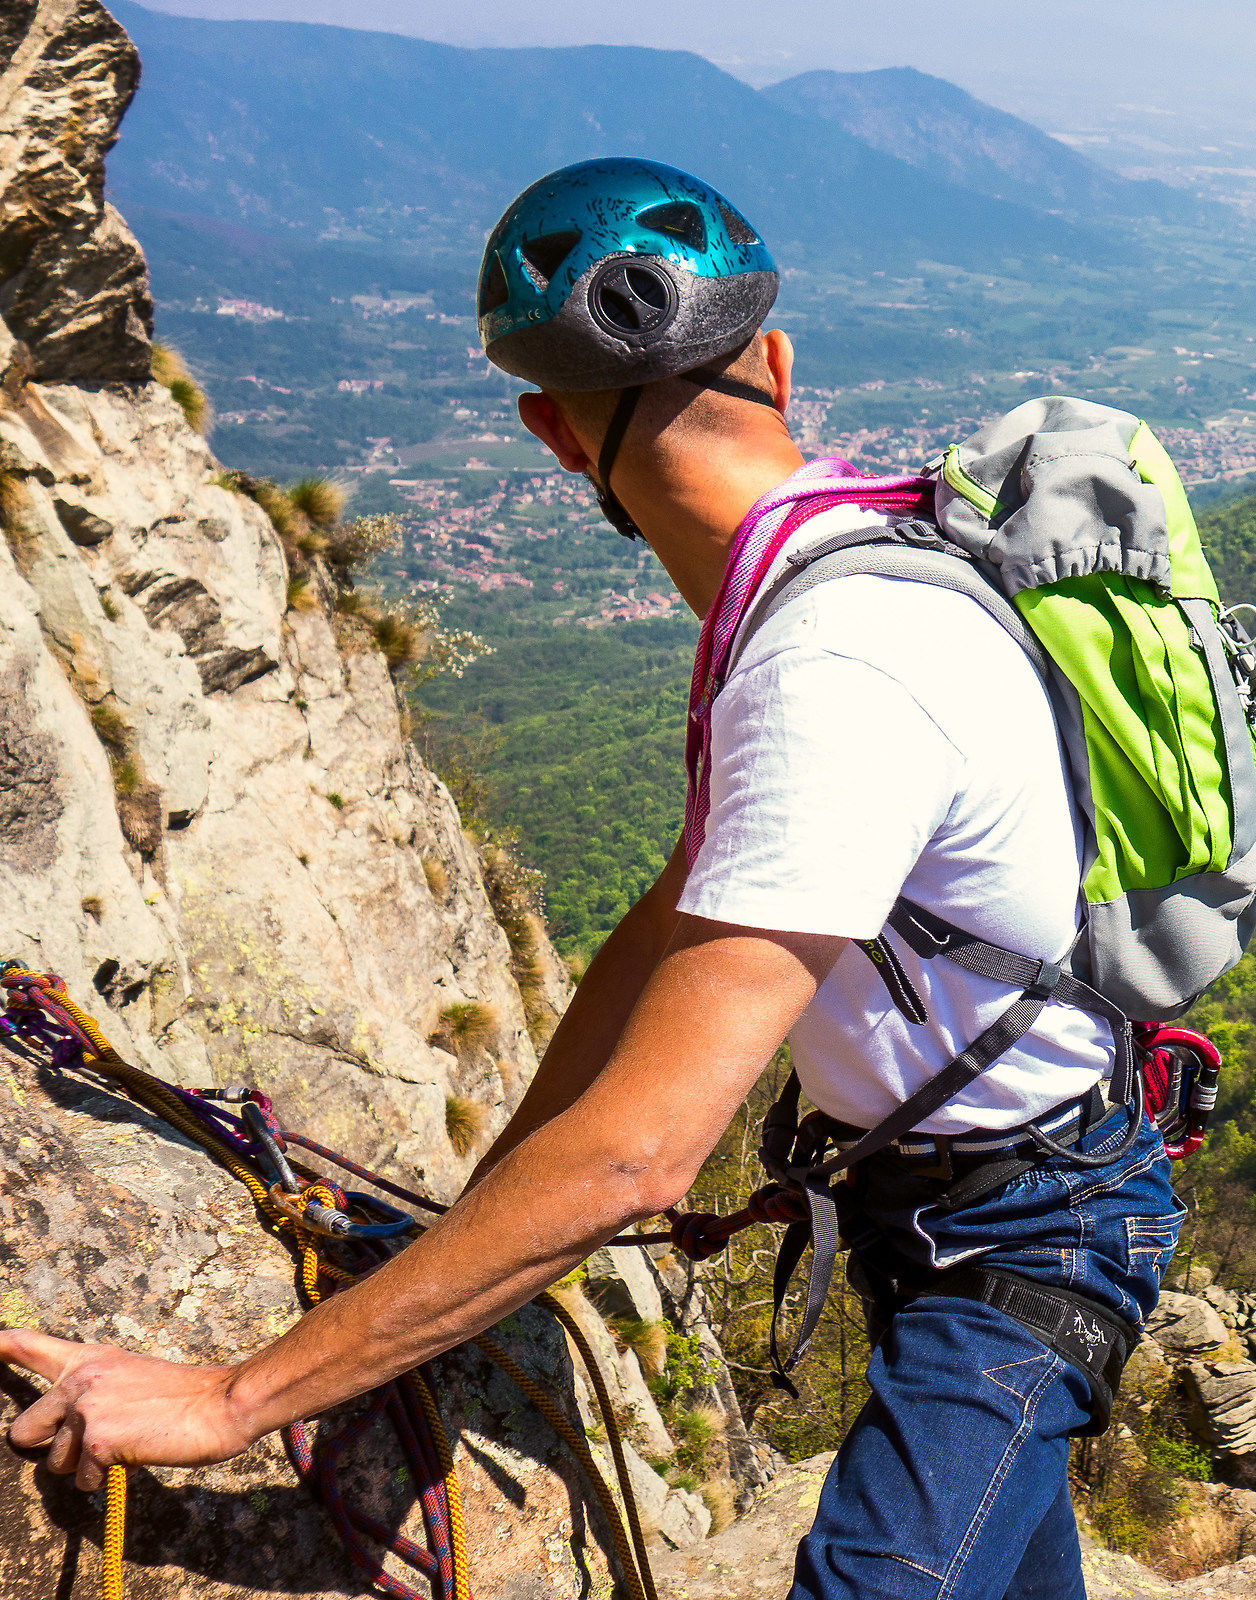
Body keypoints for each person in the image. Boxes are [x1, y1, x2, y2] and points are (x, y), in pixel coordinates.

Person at [1, 157, 1180, 1600]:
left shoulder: (829, 665)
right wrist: (466, 1226)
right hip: (977, 1211)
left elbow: (640, 1156)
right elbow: (669, 927)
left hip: (1024, 1244)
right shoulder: (832, 572)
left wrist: (233, 1400)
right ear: (779, 363)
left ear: (554, 434)